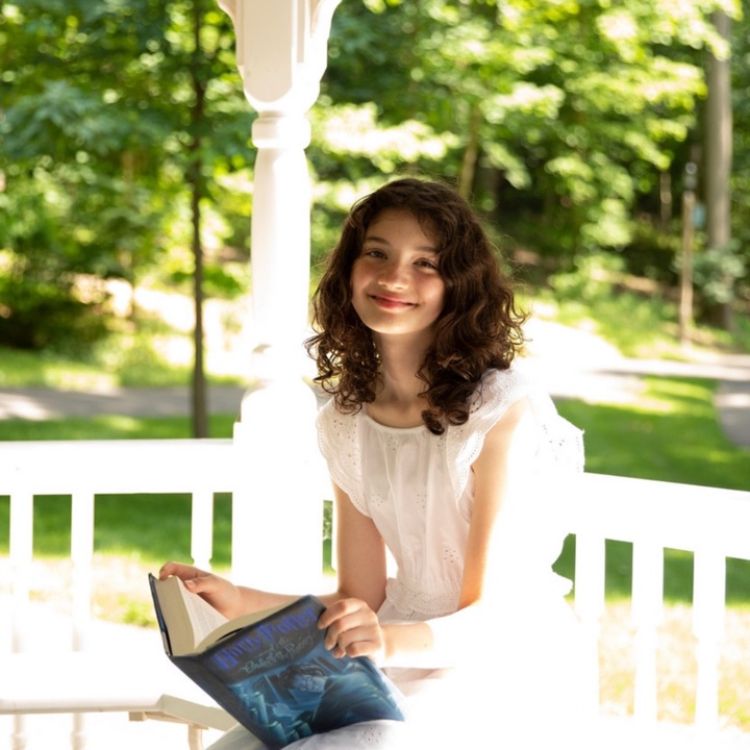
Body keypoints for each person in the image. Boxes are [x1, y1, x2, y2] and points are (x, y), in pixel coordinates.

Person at [161, 178, 588, 748]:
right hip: (393, 655)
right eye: (377, 254)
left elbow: (490, 618)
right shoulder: (346, 420)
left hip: (505, 664)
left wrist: (384, 641)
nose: (393, 279)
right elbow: (358, 600)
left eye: (425, 264)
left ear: (459, 285)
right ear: (349, 269)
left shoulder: (500, 411)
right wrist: (237, 599)